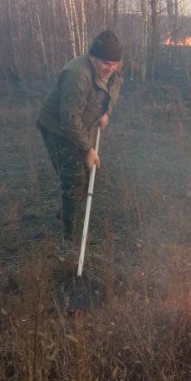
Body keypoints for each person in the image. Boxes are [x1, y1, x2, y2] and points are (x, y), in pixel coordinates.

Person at [37, 30, 124, 239]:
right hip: (58, 128)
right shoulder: (78, 75)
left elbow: (112, 92)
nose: (110, 68)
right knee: (74, 179)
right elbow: (68, 118)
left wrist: (106, 113)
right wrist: (87, 149)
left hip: (82, 125)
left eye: (114, 63)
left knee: (86, 175)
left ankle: (67, 210)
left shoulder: (114, 70)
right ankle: (69, 236)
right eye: (105, 62)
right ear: (93, 56)